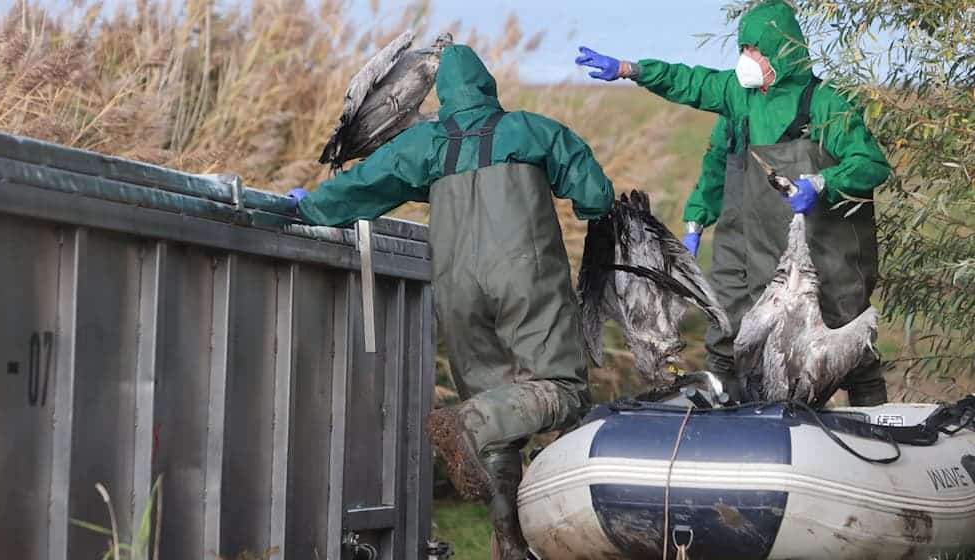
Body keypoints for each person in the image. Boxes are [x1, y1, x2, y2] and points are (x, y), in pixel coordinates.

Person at [289, 44, 614, 559]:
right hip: (525, 280)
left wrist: (307, 206)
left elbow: (363, 186)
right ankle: (467, 421)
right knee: (560, 388)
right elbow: (595, 193)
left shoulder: (427, 143)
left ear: (443, 97)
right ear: (489, 88)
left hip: (458, 290)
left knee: (501, 426)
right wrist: (585, 202)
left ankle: (510, 545)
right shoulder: (530, 129)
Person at [575, 0, 890, 406]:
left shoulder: (827, 104)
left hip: (826, 252)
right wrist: (628, 69)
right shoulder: (739, 100)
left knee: (847, 338)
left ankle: (880, 421)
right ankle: (743, 418)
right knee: (742, 339)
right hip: (756, 247)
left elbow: (871, 164)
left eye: (754, 50)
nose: (746, 59)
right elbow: (692, 86)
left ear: (782, 50)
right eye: (742, 49)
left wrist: (823, 181)